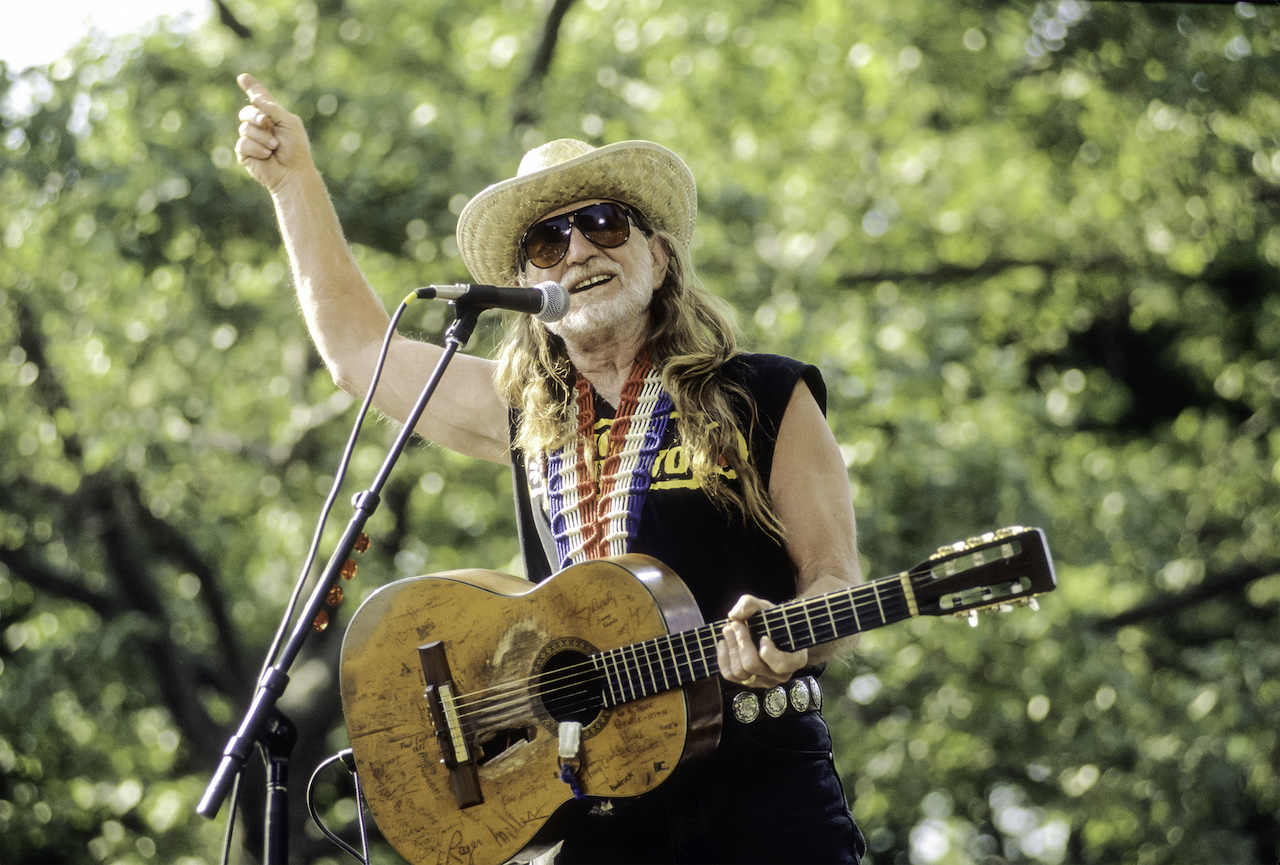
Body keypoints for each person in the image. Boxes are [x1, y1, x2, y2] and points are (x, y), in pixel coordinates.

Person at [233, 72, 867, 863]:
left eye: (604, 223)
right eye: (547, 241)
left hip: (760, 796)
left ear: (659, 257)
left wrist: (792, 642)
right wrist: (294, 182)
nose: (578, 250)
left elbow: (836, 578)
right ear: (531, 285)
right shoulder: (528, 413)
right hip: (592, 803)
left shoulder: (767, 392)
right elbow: (362, 353)